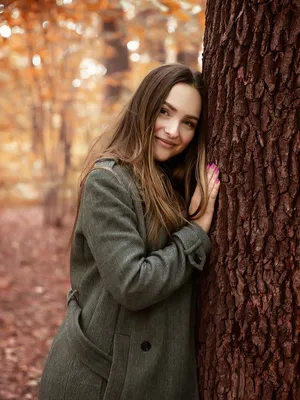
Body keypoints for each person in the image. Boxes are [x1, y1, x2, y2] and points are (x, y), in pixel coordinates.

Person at [39, 63, 220, 400]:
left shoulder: (176, 182)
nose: (172, 130)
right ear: (145, 105)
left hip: (157, 377)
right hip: (99, 381)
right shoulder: (107, 182)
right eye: (164, 111)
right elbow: (132, 284)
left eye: (188, 123)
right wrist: (195, 232)